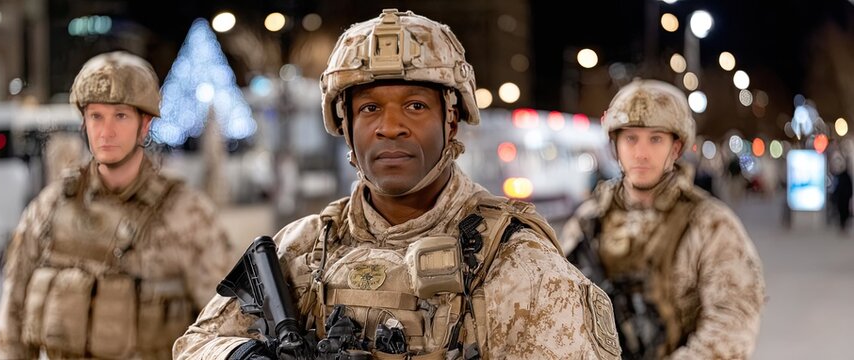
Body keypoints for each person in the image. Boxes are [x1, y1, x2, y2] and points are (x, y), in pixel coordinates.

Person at [174, 9, 620, 360]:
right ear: (345, 126)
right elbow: (196, 345)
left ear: (451, 119)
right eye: (369, 108)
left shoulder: (516, 262)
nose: (390, 127)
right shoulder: (300, 249)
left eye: (414, 105)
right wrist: (246, 354)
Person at [0, 51, 234, 360]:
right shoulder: (48, 210)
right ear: (84, 123)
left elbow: (227, 328)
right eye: (96, 116)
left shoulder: (186, 214)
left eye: (120, 115)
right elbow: (10, 326)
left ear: (144, 125)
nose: (106, 132)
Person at [559, 79, 765, 359]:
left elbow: (731, 326)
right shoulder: (588, 221)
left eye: (655, 139)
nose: (641, 153)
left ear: (676, 149)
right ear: (615, 146)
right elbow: (556, 310)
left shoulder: (710, 224)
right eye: (631, 138)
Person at [829, 151, 852, 233]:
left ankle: (843, 225)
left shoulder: (844, 176)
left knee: (844, 211)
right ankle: (842, 225)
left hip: (844, 197)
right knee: (842, 211)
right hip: (841, 197)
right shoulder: (839, 176)